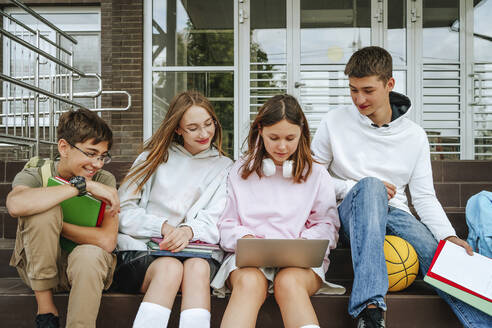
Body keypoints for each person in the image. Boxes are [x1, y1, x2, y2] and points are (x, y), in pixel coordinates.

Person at [311, 46, 492, 327]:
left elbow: (423, 197)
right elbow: (311, 175)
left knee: (444, 259)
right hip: (347, 215)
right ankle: (369, 310)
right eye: (353, 90)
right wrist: (353, 187)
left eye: (368, 90)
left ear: (389, 84)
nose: (359, 99)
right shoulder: (334, 121)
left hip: (395, 215)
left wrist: (448, 236)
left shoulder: (414, 136)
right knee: (370, 187)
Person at [211, 94, 345, 328]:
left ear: (301, 133)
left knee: (289, 282)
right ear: (260, 131)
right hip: (248, 263)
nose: (282, 146)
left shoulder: (317, 174)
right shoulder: (239, 170)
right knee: (250, 283)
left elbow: (327, 225)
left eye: (290, 138)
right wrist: (246, 239)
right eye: (274, 138)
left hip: (301, 264)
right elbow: (226, 223)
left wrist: (303, 243)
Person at [113, 91, 232, 328]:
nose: (205, 133)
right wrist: (163, 227)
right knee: (170, 267)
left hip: (198, 254)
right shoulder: (152, 158)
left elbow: (218, 217)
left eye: (209, 124)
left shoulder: (225, 167)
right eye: (193, 128)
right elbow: (123, 212)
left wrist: (187, 231)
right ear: (177, 129)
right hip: (143, 253)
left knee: (196, 267)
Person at [6, 108, 119, 328]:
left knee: (89, 253)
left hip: (86, 269)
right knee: (43, 210)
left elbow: (107, 240)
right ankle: (46, 311)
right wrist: (79, 187)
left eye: (102, 156)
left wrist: (57, 225)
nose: (97, 164)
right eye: (90, 153)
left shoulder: (105, 179)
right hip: (38, 268)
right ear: (64, 147)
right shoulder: (37, 172)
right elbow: (15, 204)